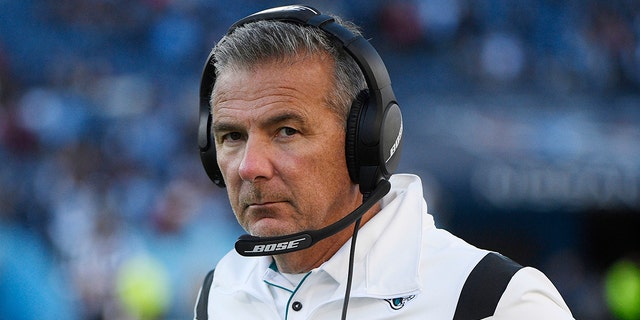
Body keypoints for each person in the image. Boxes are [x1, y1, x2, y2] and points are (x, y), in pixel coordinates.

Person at [194, 5, 574, 320]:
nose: (249, 167)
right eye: (232, 137)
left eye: (287, 131)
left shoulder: (496, 300)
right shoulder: (220, 291)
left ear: (366, 141)